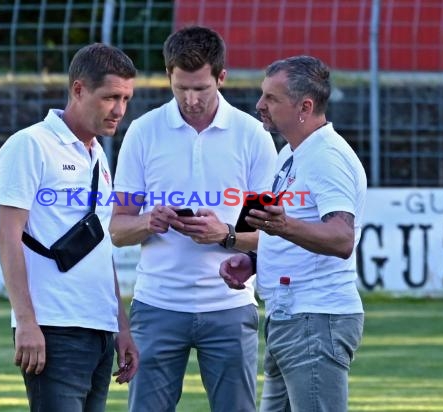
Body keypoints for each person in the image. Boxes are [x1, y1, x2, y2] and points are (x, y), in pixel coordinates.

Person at [110, 26, 278, 412]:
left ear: (221, 77)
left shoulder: (252, 136)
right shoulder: (143, 132)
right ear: (168, 76)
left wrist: (226, 234)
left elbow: (272, 235)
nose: (190, 99)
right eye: (180, 87)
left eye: (201, 88)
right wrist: (149, 221)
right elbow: (118, 229)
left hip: (230, 307)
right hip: (156, 305)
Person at [0, 43, 138, 412]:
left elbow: (99, 244)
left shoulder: (98, 154)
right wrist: (26, 322)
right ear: (78, 90)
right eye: (110, 97)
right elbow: (7, 235)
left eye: (126, 98)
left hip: (99, 328)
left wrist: (120, 326)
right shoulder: (29, 144)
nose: (119, 110)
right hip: (53, 326)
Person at [219, 55, 367, 411]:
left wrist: (284, 226)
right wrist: (254, 260)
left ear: (305, 106)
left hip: (315, 319)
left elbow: (341, 238)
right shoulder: (289, 153)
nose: (259, 105)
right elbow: (273, 226)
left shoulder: (326, 157)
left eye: (271, 98)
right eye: (262, 95)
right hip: (288, 315)